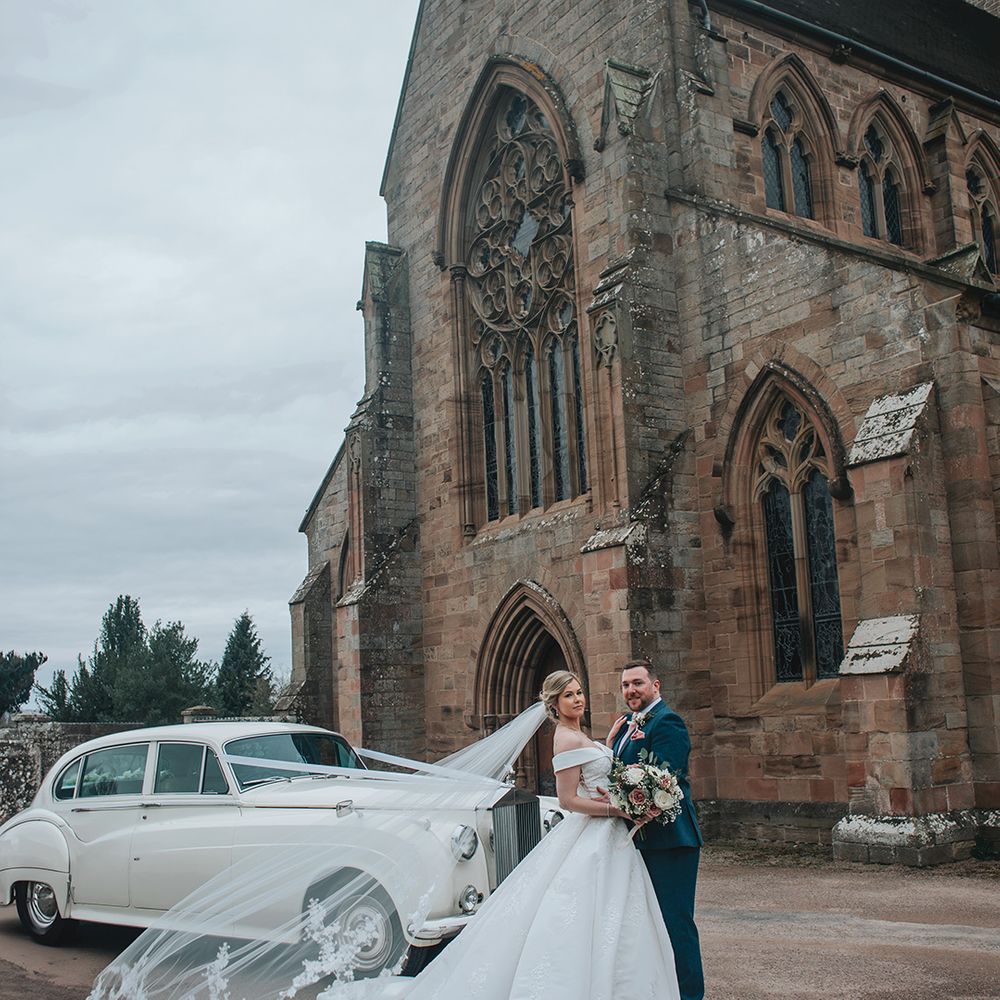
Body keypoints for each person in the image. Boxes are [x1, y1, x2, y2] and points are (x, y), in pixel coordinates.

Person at [320, 669, 682, 1000]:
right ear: (554, 703)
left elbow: (593, 773)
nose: (578, 699)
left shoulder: (580, 735)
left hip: (608, 838)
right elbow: (568, 800)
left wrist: (611, 750)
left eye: (579, 692)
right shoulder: (565, 739)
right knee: (583, 916)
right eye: (569, 695)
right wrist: (617, 809)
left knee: (616, 918)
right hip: (594, 834)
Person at [607, 659, 705, 1000]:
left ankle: (690, 995)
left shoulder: (668, 722)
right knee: (648, 924)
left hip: (671, 840)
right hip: (640, 841)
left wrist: (626, 802)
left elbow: (666, 779)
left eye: (637, 683)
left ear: (655, 686)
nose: (631, 690)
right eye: (625, 685)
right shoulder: (623, 727)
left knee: (676, 923)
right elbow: (618, 772)